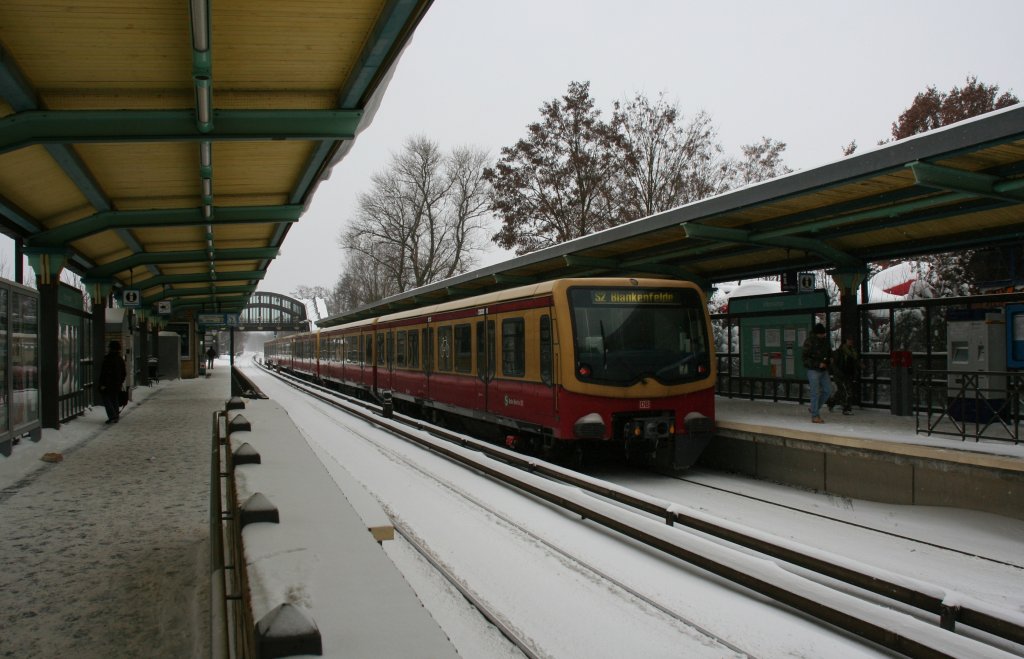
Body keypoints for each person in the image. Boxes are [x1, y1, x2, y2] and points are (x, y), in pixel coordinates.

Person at [802, 323, 832, 424]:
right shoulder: (809, 341)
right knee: (815, 392)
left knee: (828, 390)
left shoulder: (825, 341)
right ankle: (815, 415)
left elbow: (829, 353)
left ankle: (814, 408)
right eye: (822, 334)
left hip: (823, 369)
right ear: (817, 334)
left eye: (824, 334)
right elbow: (805, 358)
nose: (824, 335)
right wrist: (818, 364)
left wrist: (828, 361)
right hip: (813, 370)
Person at [829, 337, 860, 415]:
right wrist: (838, 373)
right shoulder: (839, 352)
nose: (850, 342)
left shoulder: (853, 351)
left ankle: (832, 402)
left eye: (851, 340)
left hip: (848, 374)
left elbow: (854, 363)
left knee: (844, 391)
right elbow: (834, 365)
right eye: (849, 340)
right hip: (840, 374)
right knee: (845, 391)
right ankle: (846, 408)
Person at [98, 340, 127, 424]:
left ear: (111, 348)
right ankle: (116, 416)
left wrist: (102, 384)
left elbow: (104, 373)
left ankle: (112, 416)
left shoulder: (108, 359)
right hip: (116, 384)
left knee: (106, 399)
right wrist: (120, 381)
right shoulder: (120, 359)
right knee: (114, 399)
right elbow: (124, 373)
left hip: (107, 384)